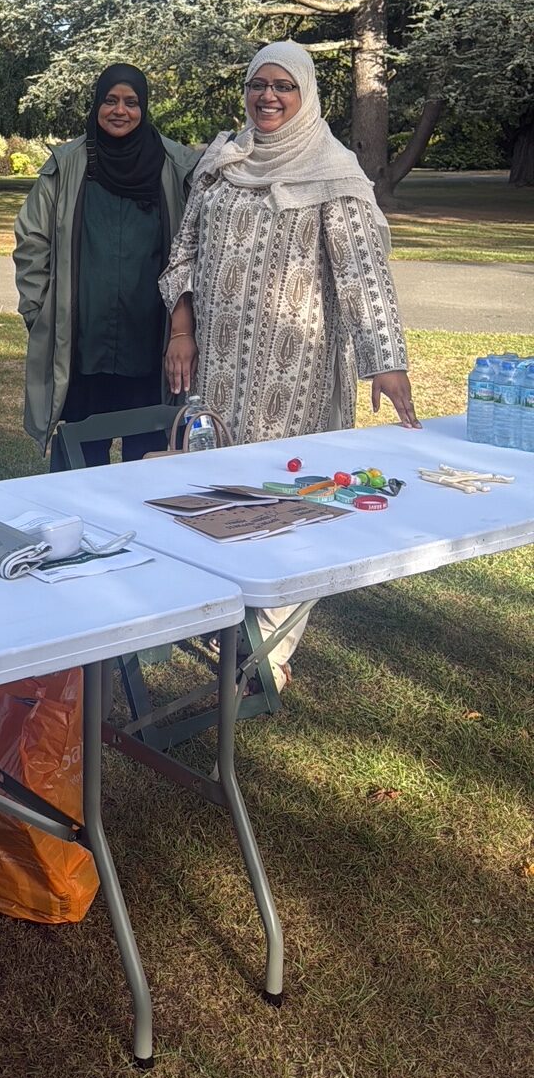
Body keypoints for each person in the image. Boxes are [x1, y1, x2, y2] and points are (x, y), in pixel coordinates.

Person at [159, 40, 418, 684]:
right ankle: (230, 615)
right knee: (222, 488)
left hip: (295, 375)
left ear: (306, 95)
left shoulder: (332, 171)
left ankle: (269, 651)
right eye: (258, 84)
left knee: (292, 499)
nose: (268, 96)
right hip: (221, 369)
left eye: (283, 86)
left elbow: (362, 272)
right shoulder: (223, 163)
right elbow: (183, 253)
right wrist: (182, 329)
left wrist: (385, 359)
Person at [14, 63, 197, 468]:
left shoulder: (175, 166)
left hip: (150, 342)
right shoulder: (68, 165)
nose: (120, 110)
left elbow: (194, 245)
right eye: (110, 100)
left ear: (144, 107)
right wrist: (38, 310)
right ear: (97, 104)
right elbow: (32, 240)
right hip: (81, 343)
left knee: (148, 462)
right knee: (78, 463)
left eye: (131, 102)